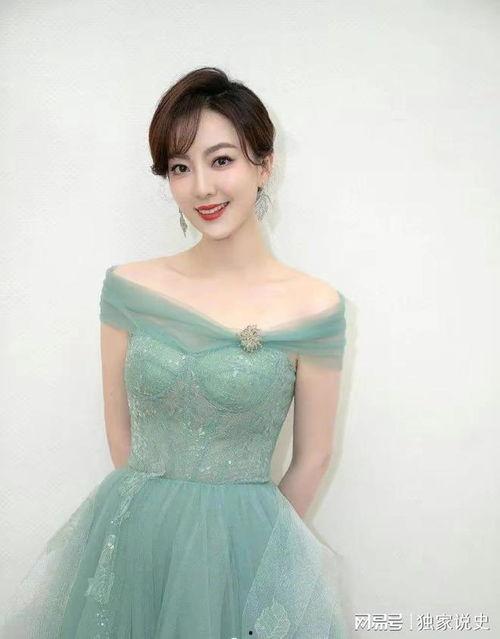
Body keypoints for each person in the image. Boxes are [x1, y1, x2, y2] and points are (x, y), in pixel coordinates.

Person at [1, 66, 349, 638]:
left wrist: (255, 556)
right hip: (133, 539)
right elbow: (120, 432)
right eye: (180, 168)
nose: (202, 188)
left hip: (246, 551)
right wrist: (153, 535)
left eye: (221, 160)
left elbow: (313, 456)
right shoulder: (128, 288)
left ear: (264, 165)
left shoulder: (315, 307)